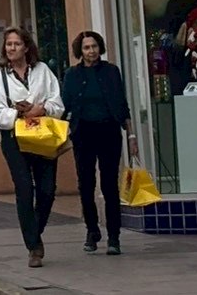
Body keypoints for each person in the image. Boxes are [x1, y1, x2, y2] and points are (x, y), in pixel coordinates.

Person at [0, 26, 65, 269]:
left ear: (26, 47)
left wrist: (42, 109)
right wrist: (19, 114)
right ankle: (34, 247)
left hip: (42, 136)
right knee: (24, 189)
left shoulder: (43, 71)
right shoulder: (0, 78)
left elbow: (57, 101)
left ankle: (35, 230)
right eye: (8, 45)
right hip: (15, 138)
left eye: (16, 44)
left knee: (47, 190)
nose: (11, 48)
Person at [61, 30, 134, 256]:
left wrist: (131, 135)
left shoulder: (111, 72)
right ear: (80, 51)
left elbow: (122, 105)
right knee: (86, 184)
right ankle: (92, 230)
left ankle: (114, 236)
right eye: (86, 48)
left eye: (93, 46)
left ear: (99, 48)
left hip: (109, 130)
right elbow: (65, 106)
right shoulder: (72, 75)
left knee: (110, 185)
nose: (91, 51)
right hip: (83, 133)